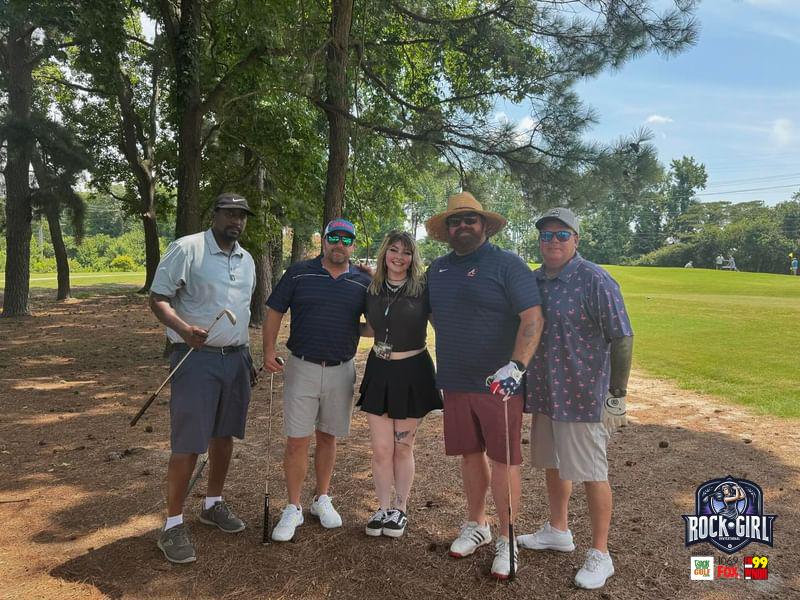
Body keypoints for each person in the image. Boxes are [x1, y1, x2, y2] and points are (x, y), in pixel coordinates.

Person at [425, 192, 544, 579]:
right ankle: (477, 524)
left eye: (469, 220)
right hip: (456, 380)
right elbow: (432, 315)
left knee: (504, 460)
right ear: (447, 229)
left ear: (484, 226)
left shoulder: (507, 264)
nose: (462, 226)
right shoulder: (437, 269)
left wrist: (517, 365)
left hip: (500, 384)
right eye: (455, 221)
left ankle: (507, 538)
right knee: (470, 455)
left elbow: (532, 317)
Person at [520, 207, 633, 590]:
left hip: (583, 395)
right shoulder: (535, 280)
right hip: (546, 392)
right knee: (553, 464)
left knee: (591, 473)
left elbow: (622, 336)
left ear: (576, 239)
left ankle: (601, 553)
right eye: (546, 235)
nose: (553, 241)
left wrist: (617, 394)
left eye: (561, 234)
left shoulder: (595, 280)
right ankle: (558, 529)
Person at [149, 192, 257, 564]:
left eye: (241, 215)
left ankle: (212, 504)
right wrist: (183, 328)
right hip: (195, 359)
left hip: (236, 359)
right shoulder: (188, 249)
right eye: (230, 213)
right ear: (215, 214)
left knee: (224, 436)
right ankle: (172, 524)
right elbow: (158, 298)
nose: (236, 221)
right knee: (189, 442)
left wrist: (248, 357)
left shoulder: (247, 260)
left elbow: (242, 311)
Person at [262, 218, 371, 542]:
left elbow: (371, 325)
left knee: (328, 437)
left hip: (342, 369)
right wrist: (268, 350)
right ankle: (293, 506)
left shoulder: (362, 281)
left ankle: (321, 498)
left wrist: (376, 300)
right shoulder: (299, 272)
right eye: (334, 237)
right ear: (324, 241)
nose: (340, 244)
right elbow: (274, 310)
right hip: (302, 366)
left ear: (353, 245)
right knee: (297, 439)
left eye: (346, 239)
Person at [357, 231, 442, 538]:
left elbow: (440, 325)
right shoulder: (371, 288)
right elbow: (372, 328)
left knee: (402, 447)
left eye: (406, 252)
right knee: (381, 449)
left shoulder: (422, 289)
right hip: (379, 371)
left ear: (413, 257)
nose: (399, 257)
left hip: (413, 372)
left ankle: (400, 509)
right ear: (385, 253)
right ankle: (382, 508)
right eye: (394, 250)